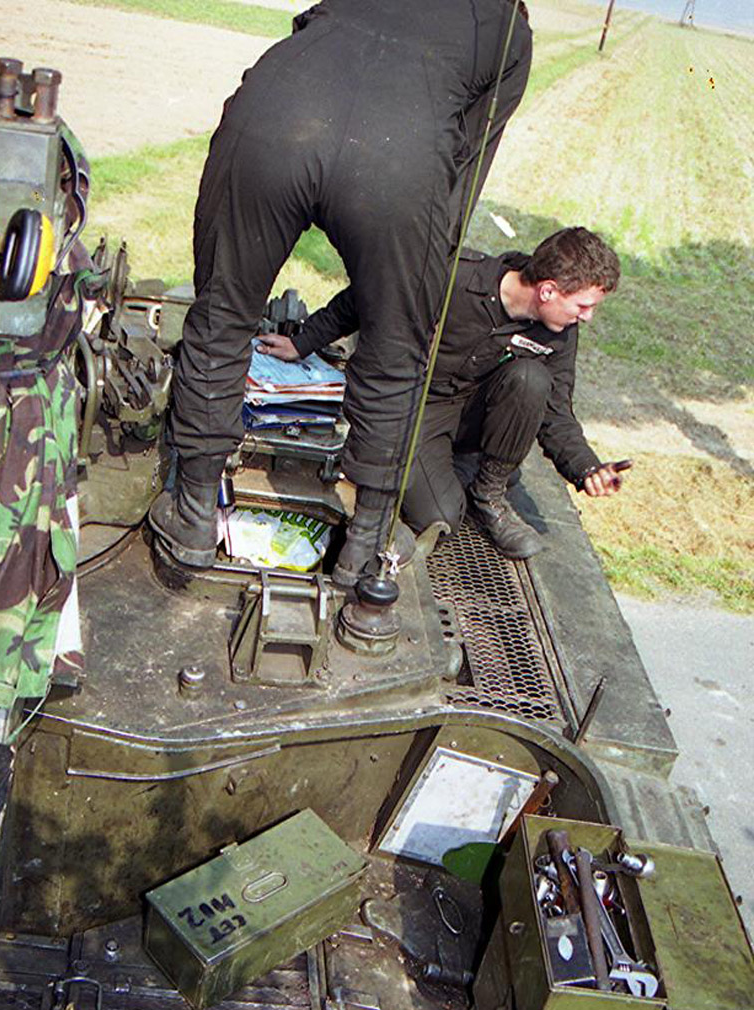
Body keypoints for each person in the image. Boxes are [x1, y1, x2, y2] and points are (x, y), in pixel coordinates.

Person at [149, 0, 533, 586]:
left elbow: (315, 30)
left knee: (222, 317)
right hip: (399, 161)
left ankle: (195, 517)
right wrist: (412, 280)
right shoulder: (508, 29)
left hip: (277, 115)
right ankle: (365, 546)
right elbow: (463, 168)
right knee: (396, 350)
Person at [257, 226, 625, 559]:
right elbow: (366, 298)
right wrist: (303, 342)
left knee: (532, 379)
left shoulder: (559, 330)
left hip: (477, 413)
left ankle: (489, 493)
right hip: (419, 408)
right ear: (547, 291)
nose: (587, 317)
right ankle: (454, 473)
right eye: (583, 306)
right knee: (440, 518)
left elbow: (556, 407)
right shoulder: (453, 278)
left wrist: (586, 467)